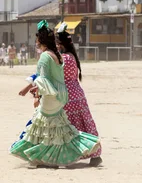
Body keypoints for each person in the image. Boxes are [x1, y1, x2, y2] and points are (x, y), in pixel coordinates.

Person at [10, 20, 100, 167]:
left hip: (56, 95)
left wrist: (32, 89)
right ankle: (88, 151)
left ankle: (47, 158)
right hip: (71, 92)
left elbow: (44, 78)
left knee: (48, 128)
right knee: (64, 128)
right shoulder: (65, 56)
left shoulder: (49, 56)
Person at [56, 23, 103, 166]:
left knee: (69, 126)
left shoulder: (62, 58)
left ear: (61, 44)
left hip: (67, 94)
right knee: (84, 123)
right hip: (78, 92)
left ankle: (69, 155)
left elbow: (57, 76)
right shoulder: (72, 56)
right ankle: (95, 155)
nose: (56, 46)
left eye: (57, 43)